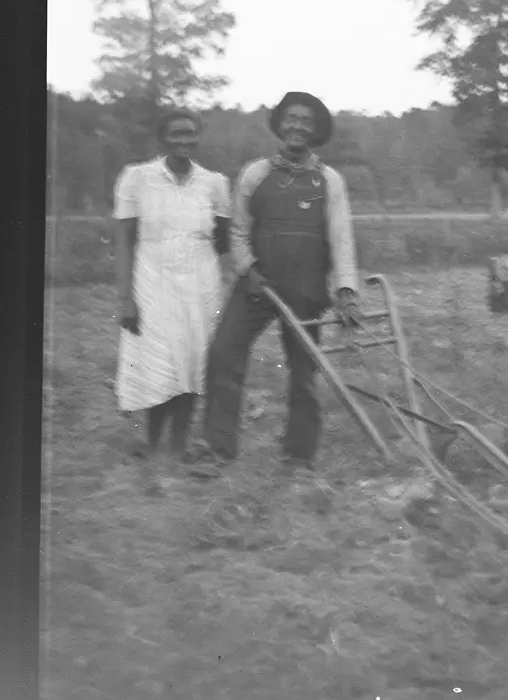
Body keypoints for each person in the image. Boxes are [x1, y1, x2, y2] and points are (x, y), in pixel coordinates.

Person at [200, 91, 360, 471]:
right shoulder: (256, 173)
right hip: (258, 284)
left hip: (305, 288)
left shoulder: (329, 181)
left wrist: (347, 292)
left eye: (307, 121)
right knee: (223, 353)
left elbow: (340, 238)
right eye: (292, 118)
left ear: (316, 130)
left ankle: (299, 457)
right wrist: (248, 270)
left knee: (304, 371)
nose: (297, 126)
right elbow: (238, 232)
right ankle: (217, 450)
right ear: (280, 124)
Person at [113, 110, 231, 456]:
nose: (184, 141)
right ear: (163, 138)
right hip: (152, 280)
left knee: (193, 359)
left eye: (190, 134)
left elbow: (223, 240)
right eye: (176, 134)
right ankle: (151, 441)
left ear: (198, 137)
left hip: (200, 283)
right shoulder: (137, 178)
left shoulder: (214, 183)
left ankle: (179, 443)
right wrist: (125, 299)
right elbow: (123, 241)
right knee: (159, 358)